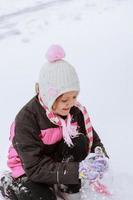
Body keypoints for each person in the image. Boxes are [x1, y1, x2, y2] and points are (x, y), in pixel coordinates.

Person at [0, 45, 108, 200]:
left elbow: (93, 140)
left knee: (79, 141)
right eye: (64, 99)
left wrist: (100, 158)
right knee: (42, 197)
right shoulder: (27, 119)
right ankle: (9, 185)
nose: (70, 103)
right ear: (49, 97)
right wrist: (77, 170)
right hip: (29, 167)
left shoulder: (74, 110)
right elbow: (34, 167)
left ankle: (66, 187)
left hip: (53, 161)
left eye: (74, 97)